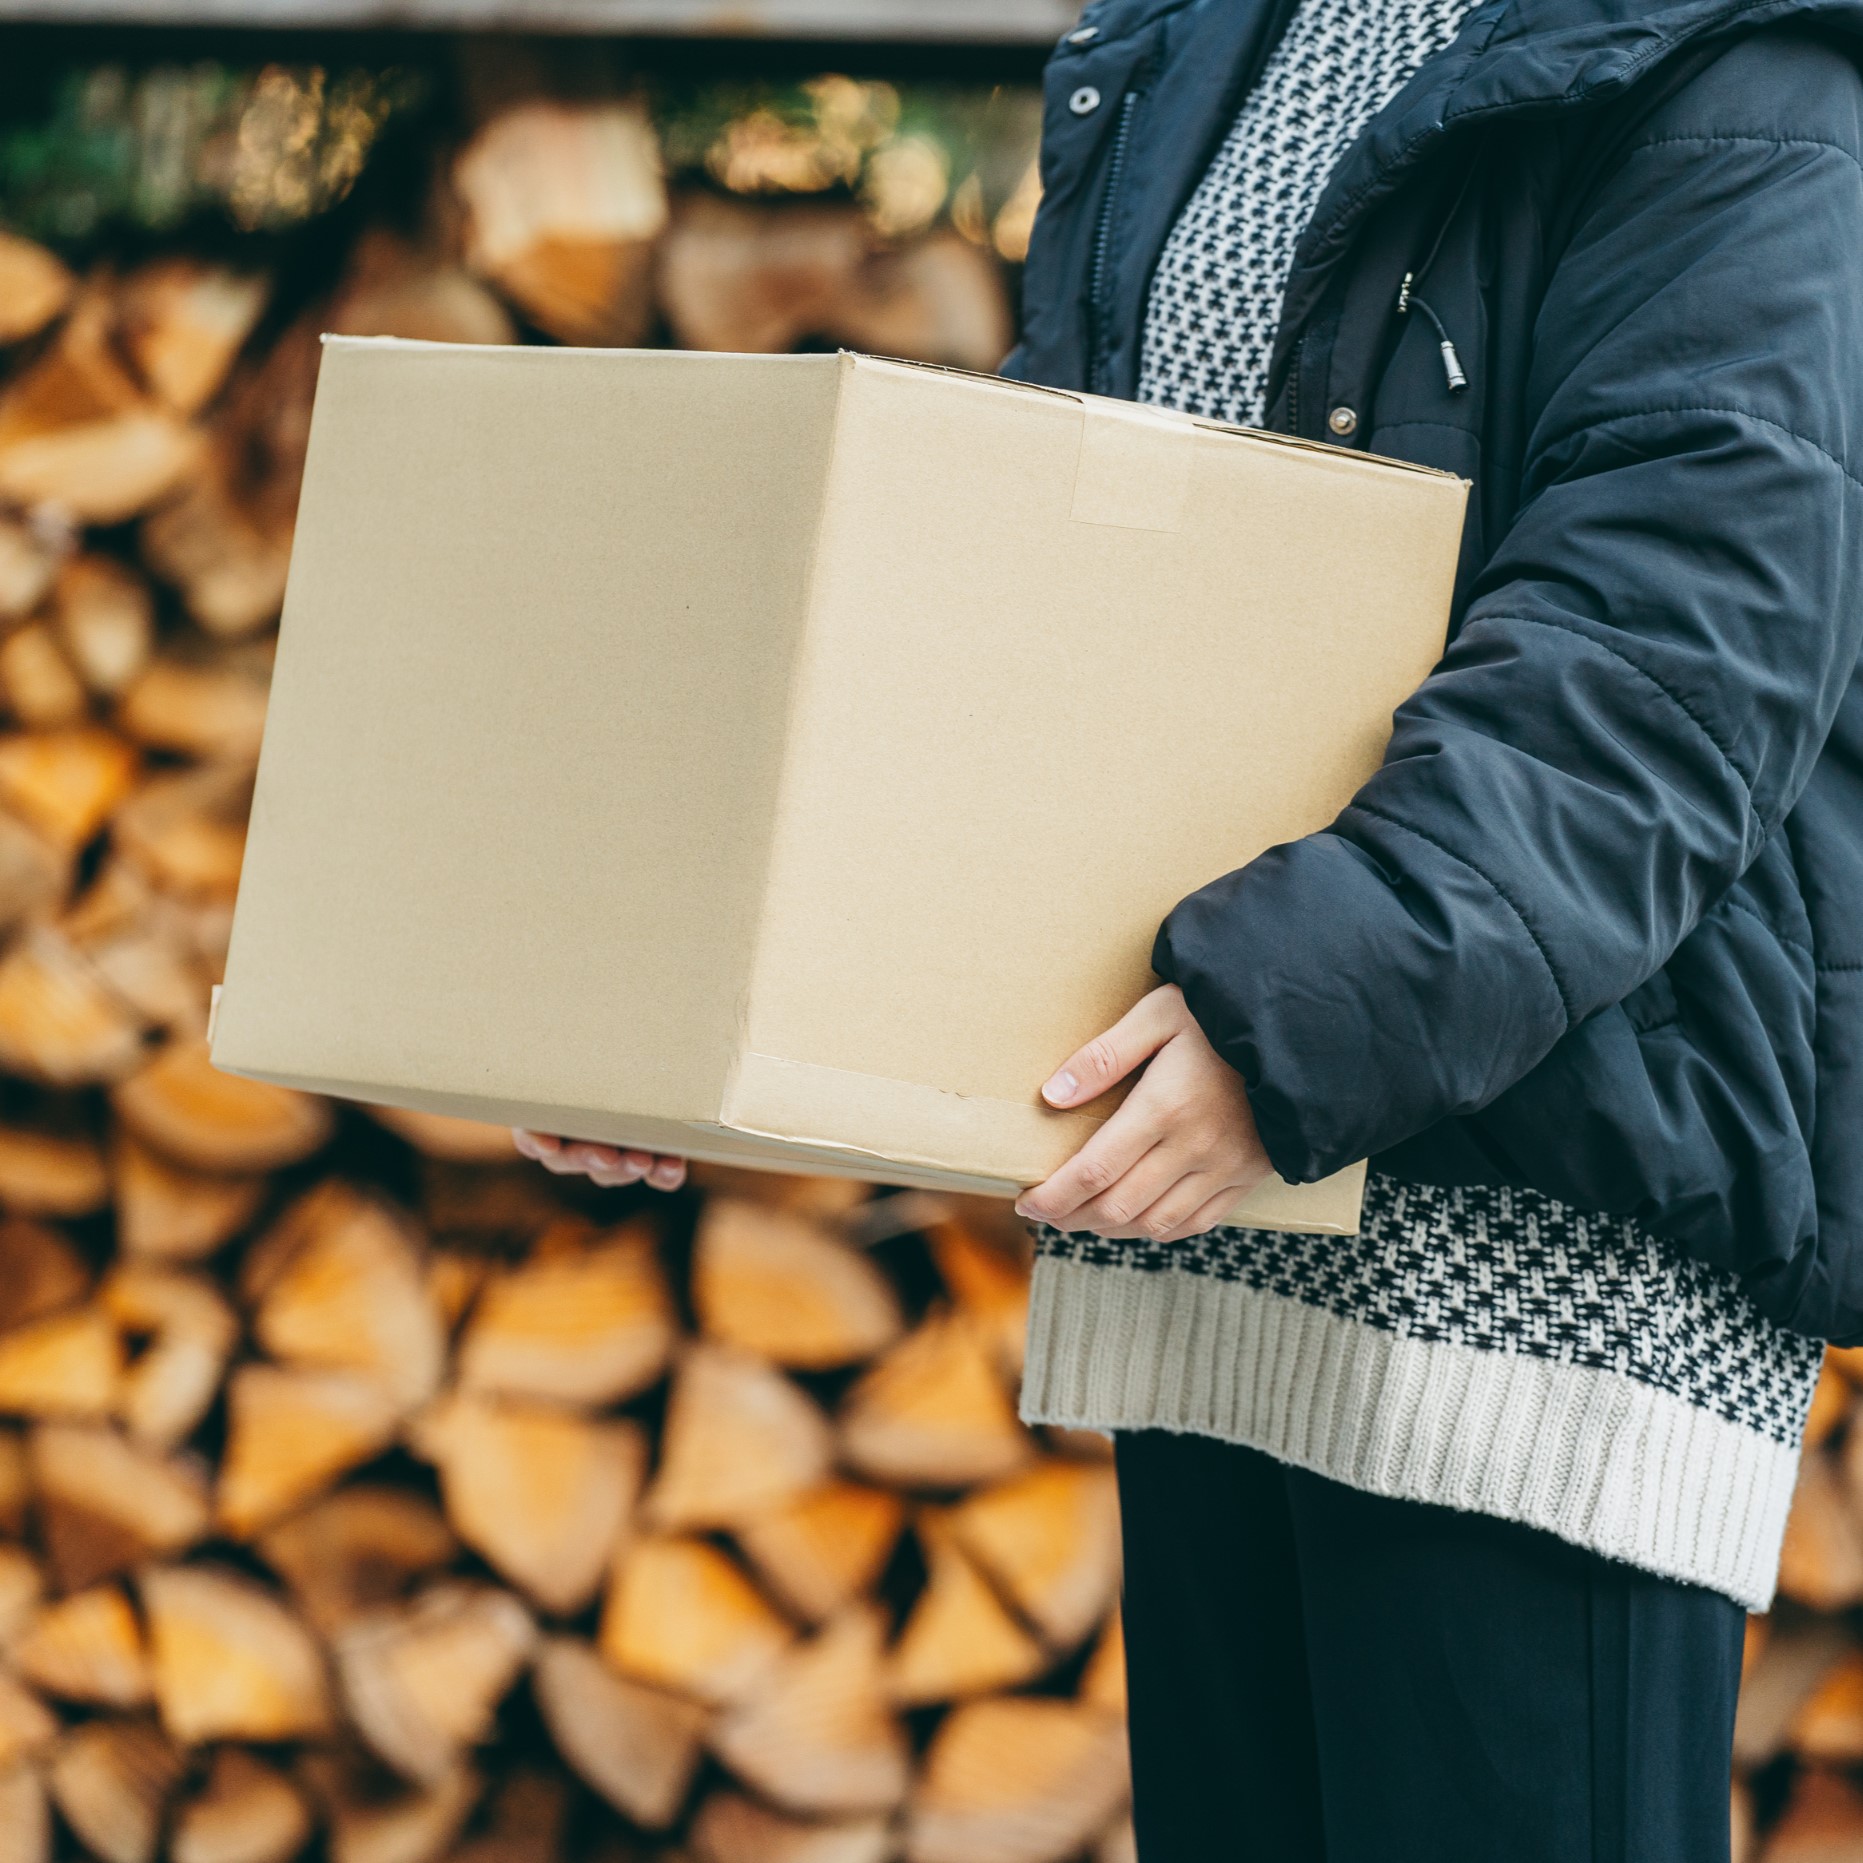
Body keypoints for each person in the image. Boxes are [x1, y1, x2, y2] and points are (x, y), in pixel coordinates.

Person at [518, 0, 1863, 1849]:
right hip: (1221, 1239)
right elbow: (1040, 573)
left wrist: (1288, 1024)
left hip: (1537, 1279)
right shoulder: (1214, 40)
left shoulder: (1736, 73)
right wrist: (687, 990)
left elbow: (1672, 650)